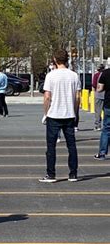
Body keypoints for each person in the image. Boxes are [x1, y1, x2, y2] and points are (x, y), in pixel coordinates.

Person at [39, 50, 81, 183]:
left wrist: (46, 113)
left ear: (55, 60)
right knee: (71, 146)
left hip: (54, 114)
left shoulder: (51, 76)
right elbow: (77, 97)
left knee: (51, 147)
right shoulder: (74, 76)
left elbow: (47, 97)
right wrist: (75, 112)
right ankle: (73, 174)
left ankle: (51, 174)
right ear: (67, 59)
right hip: (69, 114)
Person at [94, 66, 110, 160]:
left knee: (106, 129)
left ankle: (102, 153)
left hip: (108, 104)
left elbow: (99, 88)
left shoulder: (106, 73)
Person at [92, 64, 105, 131]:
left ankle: (98, 125)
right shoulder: (106, 75)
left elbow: (94, 84)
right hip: (106, 95)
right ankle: (106, 124)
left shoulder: (96, 75)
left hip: (98, 94)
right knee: (106, 110)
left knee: (98, 111)